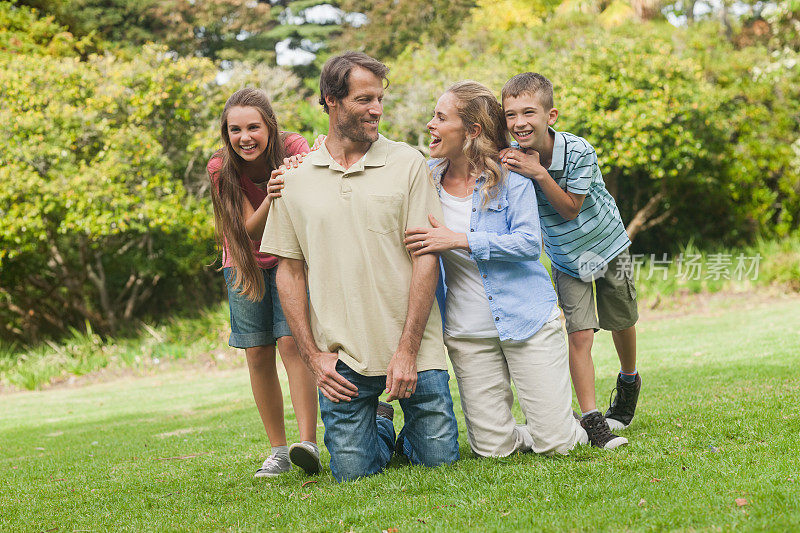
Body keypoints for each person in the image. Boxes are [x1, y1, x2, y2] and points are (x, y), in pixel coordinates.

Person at [260, 52, 459, 482]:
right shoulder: (293, 179)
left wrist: (407, 350)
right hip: (342, 360)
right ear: (331, 100)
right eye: (364, 99)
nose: (377, 109)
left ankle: (388, 424)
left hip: (415, 351)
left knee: (438, 461)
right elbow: (288, 273)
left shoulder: (407, 162)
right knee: (354, 473)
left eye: (380, 98)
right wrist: (314, 357)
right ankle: (381, 424)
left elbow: (426, 257)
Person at [403, 80, 596, 457]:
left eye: (440, 118)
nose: (431, 125)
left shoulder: (511, 174)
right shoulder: (426, 177)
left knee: (557, 447)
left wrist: (459, 240)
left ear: (472, 130)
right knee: (493, 450)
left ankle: (560, 428)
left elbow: (528, 244)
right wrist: (311, 155)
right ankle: (539, 427)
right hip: (468, 331)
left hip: (527, 322)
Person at [500, 72, 641, 448]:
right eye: (510, 115)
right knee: (578, 334)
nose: (519, 123)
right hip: (565, 261)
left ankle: (629, 381)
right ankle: (594, 421)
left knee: (621, 321)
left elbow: (569, 210)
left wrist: (539, 173)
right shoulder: (512, 158)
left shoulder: (579, 151)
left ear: (552, 115)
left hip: (610, 246)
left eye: (528, 112)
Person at [207, 87, 321, 478]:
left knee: (293, 343)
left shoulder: (293, 148)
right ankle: (278, 452)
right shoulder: (221, 168)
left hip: (289, 257)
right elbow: (247, 233)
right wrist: (271, 196)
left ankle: (307, 443)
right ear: (227, 132)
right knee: (257, 353)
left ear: (269, 127)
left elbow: (313, 199)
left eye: (253, 127)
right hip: (243, 262)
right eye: (235, 129)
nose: (245, 137)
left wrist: (315, 158)